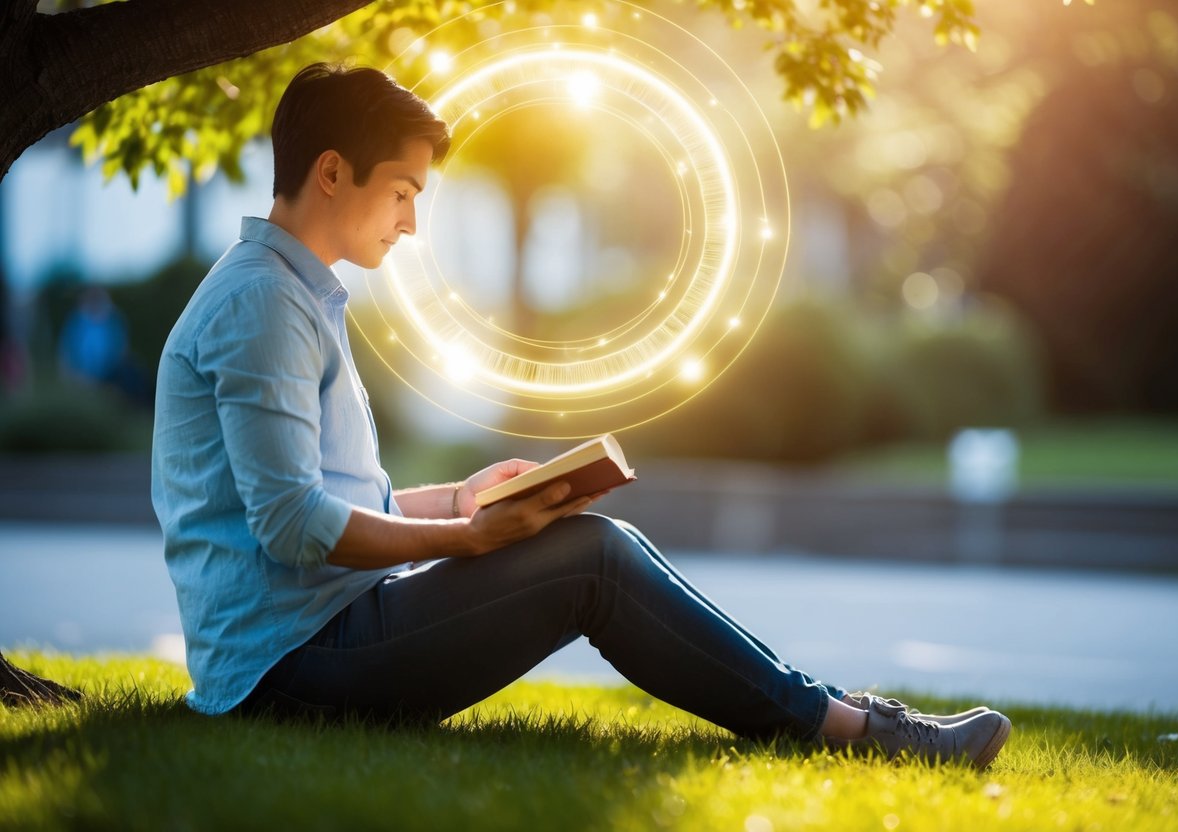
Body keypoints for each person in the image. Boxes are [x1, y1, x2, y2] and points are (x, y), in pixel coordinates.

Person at [151, 63, 1012, 769]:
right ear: (332, 172)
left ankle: (834, 711)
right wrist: (467, 541)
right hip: (290, 669)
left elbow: (330, 497)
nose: (412, 224)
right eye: (403, 192)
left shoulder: (288, 296)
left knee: (603, 545)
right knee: (593, 559)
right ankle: (857, 735)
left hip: (319, 637)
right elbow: (294, 524)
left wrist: (459, 500)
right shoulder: (263, 306)